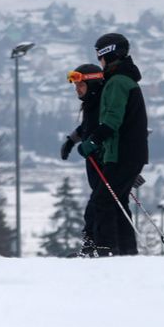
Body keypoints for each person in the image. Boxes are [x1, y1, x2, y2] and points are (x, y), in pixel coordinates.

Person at [77, 33, 148, 256]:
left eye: (100, 56)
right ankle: (126, 252)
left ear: (108, 54)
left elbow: (111, 121)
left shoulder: (117, 83)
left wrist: (92, 141)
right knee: (117, 203)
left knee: (103, 201)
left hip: (122, 154)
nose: (100, 61)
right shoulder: (122, 80)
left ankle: (106, 250)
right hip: (127, 153)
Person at [60, 64, 108, 256]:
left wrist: (127, 168)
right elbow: (85, 128)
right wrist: (70, 141)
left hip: (104, 163)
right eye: (75, 86)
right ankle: (94, 246)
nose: (77, 89)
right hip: (94, 165)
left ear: (94, 83)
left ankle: (96, 246)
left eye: (81, 85)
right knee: (97, 204)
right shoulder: (91, 104)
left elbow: (106, 130)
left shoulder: (101, 105)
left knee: (97, 206)